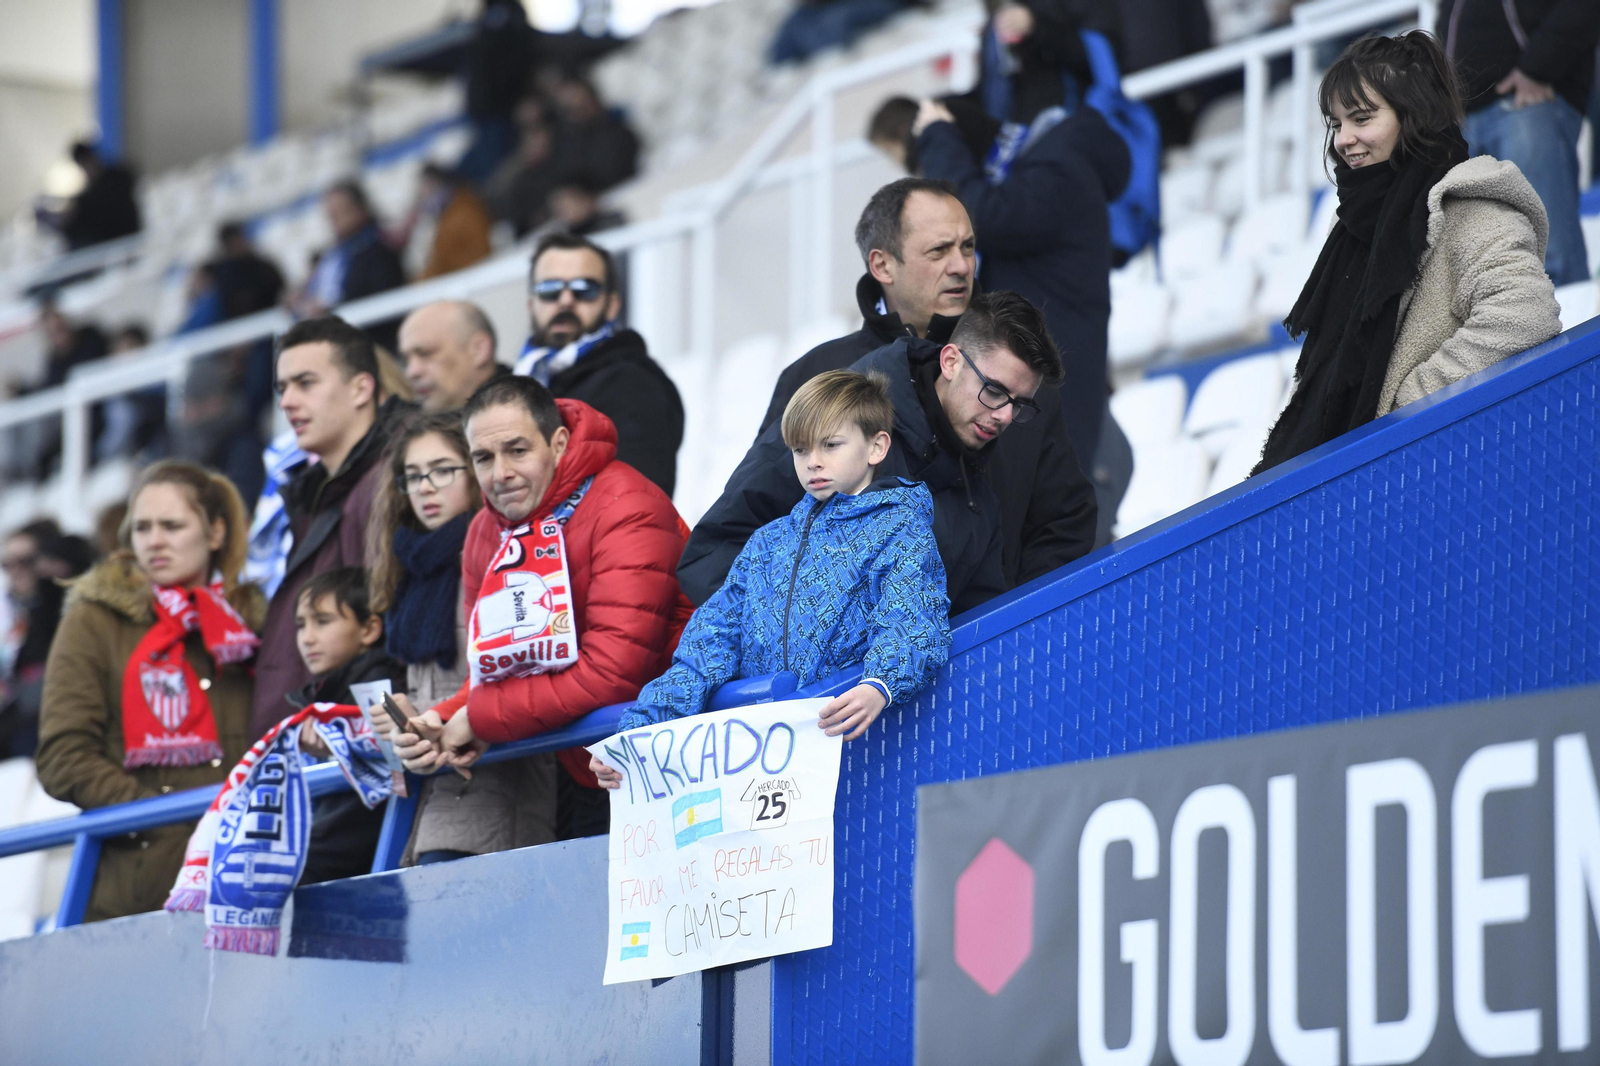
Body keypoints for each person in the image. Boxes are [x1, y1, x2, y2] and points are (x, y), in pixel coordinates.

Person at [594, 371, 950, 787]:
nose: (813, 461)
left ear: (877, 446)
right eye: (800, 450)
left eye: (831, 445)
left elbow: (912, 620)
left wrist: (881, 684)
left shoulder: (899, 528)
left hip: (859, 750)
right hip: (765, 762)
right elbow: (708, 644)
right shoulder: (767, 542)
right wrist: (639, 733)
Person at [386, 376, 692, 843]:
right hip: (583, 764)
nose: (500, 473)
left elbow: (612, 675)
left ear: (559, 442)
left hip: (673, 766)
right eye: (483, 458)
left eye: (517, 451)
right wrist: (443, 718)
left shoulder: (626, 506)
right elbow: (493, 666)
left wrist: (480, 718)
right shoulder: (485, 531)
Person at [758, 179, 1098, 586]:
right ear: (882, 265)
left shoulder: (1020, 377)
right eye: (939, 250)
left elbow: (1064, 522)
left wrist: (1011, 624)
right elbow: (750, 527)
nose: (961, 266)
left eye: (968, 247)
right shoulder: (817, 375)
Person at [1256, 31, 1562, 474]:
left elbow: (1526, 314)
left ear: (1414, 116)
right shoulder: (1352, 228)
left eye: (1361, 118)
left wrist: (1403, 410)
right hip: (1364, 480)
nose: (1344, 139)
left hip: (1438, 475)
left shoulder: (1471, 208)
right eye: (1336, 123)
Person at [685, 290, 1061, 616]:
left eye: (1020, 404)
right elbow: (713, 554)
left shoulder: (976, 490)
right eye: (994, 391)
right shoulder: (839, 425)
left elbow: (977, 627)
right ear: (950, 362)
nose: (1005, 416)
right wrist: (791, 659)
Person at [35, 462, 262, 922]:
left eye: (172, 526)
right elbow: (63, 756)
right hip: (137, 893)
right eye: (142, 528)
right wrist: (161, 822)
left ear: (216, 533)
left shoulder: (251, 624)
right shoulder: (94, 620)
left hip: (245, 882)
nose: (154, 541)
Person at [365, 412, 561, 864]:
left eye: (441, 470)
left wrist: (434, 719)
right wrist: (402, 724)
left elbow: (517, 677)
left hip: (494, 798)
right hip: (432, 806)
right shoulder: (411, 573)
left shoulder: (504, 559)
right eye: (412, 476)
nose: (425, 487)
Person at [909, 98, 1130, 468]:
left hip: (1047, 410)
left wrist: (937, 136)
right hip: (1039, 401)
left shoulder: (1057, 173)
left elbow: (984, 216)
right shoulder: (1050, 171)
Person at [251, 316, 413, 740]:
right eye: (282, 388)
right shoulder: (317, 495)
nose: (287, 402)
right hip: (327, 755)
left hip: (362, 763)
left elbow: (387, 640)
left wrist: (344, 730)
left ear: (361, 388)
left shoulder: (390, 482)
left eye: (305, 383)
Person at [1439, 0, 1600, 286]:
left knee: (1552, 260)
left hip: (1528, 101)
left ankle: (1575, 331)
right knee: (1478, 271)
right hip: (1462, 119)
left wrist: (1537, 68)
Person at [514, 233, 683, 496]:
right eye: (549, 290)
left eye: (585, 290)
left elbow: (638, 503)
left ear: (612, 305)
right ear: (530, 304)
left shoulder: (634, 382)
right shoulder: (516, 386)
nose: (566, 300)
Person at [287, 567, 407, 884]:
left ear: (369, 629)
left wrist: (295, 857)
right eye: (301, 625)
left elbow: (359, 813)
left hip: (356, 868)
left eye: (322, 621)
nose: (307, 637)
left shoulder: (380, 692)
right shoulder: (328, 696)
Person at [297, 181, 407, 350]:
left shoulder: (379, 246)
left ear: (359, 208)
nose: (334, 218)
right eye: (331, 213)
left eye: (340, 210)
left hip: (371, 344)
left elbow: (381, 294)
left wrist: (330, 310)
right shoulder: (332, 254)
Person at [399, 300, 507, 412]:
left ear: (479, 350)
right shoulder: (409, 424)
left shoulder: (522, 412)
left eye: (426, 353)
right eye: (406, 361)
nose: (412, 372)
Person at [548, 75, 640, 194]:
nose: (576, 107)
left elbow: (616, 173)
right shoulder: (566, 144)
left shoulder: (617, 132)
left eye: (581, 103)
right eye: (568, 108)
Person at [51, 141, 141, 251]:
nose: (86, 170)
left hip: (122, 241)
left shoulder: (116, 180)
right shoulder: (117, 177)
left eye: (85, 164)